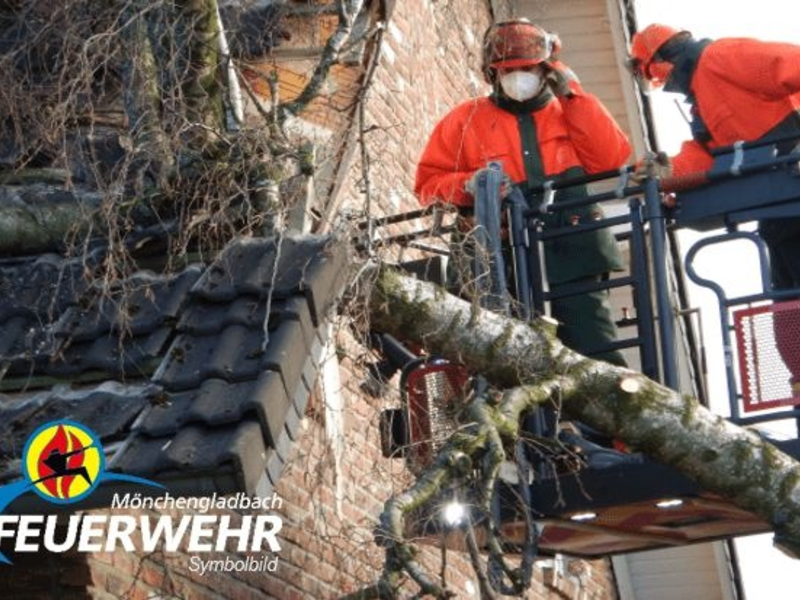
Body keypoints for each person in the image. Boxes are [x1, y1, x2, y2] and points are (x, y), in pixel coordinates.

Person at [415, 19, 631, 366]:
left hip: (572, 250)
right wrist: (470, 185)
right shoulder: (464, 120)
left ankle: (608, 417)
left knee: (594, 358)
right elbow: (427, 186)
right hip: (495, 259)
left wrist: (572, 93)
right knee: (504, 362)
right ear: (492, 74)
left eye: (527, 68)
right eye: (508, 70)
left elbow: (612, 157)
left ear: (547, 69)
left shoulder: (570, 111)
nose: (518, 77)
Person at [630, 24, 800, 394]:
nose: (659, 84)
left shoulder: (722, 58)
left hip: (790, 189)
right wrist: (668, 173)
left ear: (660, 62)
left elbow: (795, 64)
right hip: (779, 210)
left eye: (653, 76)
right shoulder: (700, 101)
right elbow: (708, 157)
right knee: (787, 309)